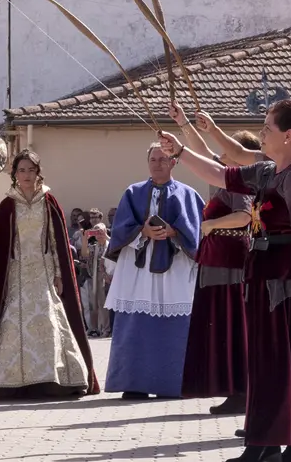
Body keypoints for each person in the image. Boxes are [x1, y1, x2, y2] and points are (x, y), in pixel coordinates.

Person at [161, 98, 291, 462]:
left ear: (288, 136)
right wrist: (179, 151)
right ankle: (268, 440)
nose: (261, 132)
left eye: (268, 128)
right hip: (266, 276)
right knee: (268, 362)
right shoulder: (270, 171)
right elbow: (220, 173)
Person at [168, 99, 258, 415]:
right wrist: (183, 124)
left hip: (232, 259)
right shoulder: (228, 175)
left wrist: (209, 224)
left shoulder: (244, 180)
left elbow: (244, 217)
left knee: (232, 325)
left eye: (228, 152)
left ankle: (241, 389)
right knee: (221, 325)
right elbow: (201, 153)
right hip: (218, 257)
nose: (220, 156)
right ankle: (233, 388)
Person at [0, 149, 99, 397]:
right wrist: (3, 277)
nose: (26, 175)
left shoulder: (48, 202)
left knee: (48, 321)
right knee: (13, 322)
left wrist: (59, 274)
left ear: (38, 173)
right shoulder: (8, 205)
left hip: (43, 271)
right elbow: (1, 245)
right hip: (17, 272)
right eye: (21, 170)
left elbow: (55, 241)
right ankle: (12, 381)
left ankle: (53, 379)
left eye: (31, 170)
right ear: (14, 174)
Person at [104, 141, 204, 400]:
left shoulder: (188, 194)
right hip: (138, 268)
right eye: (153, 159)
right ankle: (133, 383)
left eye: (163, 159)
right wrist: (143, 231)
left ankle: (172, 383)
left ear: (174, 162)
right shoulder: (133, 192)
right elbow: (119, 229)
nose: (158, 164)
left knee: (176, 326)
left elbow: (197, 231)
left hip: (175, 269)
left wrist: (175, 232)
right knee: (135, 324)